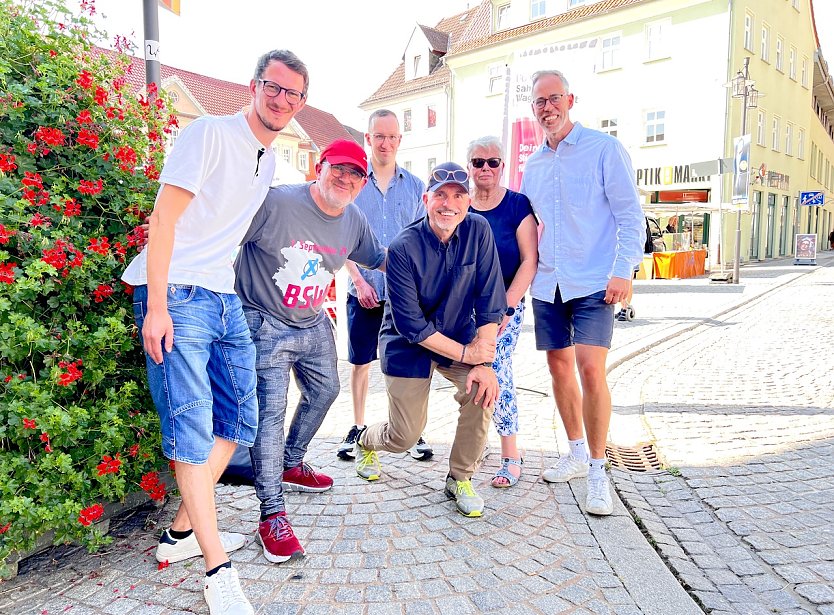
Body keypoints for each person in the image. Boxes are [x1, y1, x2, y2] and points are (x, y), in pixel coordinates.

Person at [122, 50, 308, 614]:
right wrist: (156, 307)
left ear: (301, 102)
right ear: (253, 87)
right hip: (176, 293)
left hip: (223, 296)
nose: (281, 101)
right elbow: (163, 220)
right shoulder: (209, 133)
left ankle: (179, 534)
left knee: (241, 420)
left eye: (293, 95)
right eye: (273, 88)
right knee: (192, 424)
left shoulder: (271, 163)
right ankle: (216, 567)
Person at [234, 140, 385, 563]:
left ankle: (292, 461)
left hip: (313, 321)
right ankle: (271, 514)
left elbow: (380, 258)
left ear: (362, 183)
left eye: (356, 174)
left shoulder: (353, 219)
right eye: (338, 169)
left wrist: (432, 256)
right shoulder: (277, 204)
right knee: (270, 416)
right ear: (319, 167)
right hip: (265, 322)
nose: (346, 178)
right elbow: (226, 230)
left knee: (325, 391)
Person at [520, 70, 645, 516]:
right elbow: (527, 228)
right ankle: (574, 451)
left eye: (554, 99)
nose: (547, 107)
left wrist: (623, 271)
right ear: (532, 108)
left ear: (570, 100)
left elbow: (631, 216)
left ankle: (597, 468)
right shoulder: (532, 166)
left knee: (591, 368)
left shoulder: (603, 149)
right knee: (558, 368)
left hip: (595, 279)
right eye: (539, 101)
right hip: (548, 281)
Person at [353, 162, 506, 518]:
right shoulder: (404, 246)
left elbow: (489, 299)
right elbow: (412, 325)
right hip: (407, 345)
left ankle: (460, 477)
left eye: (457, 195)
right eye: (440, 195)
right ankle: (365, 440)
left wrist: (482, 363)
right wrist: (469, 353)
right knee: (404, 436)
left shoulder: (479, 230)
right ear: (426, 199)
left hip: (458, 334)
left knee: (482, 392)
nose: (448, 204)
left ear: (468, 202)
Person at [337, 110, 432, 462]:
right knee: (361, 362)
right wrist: (359, 280)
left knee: (407, 362)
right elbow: (341, 238)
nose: (386, 143)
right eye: (380, 136)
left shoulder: (416, 187)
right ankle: (359, 427)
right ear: (368, 138)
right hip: (363, 289)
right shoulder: (354, 185)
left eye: (392, 137)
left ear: (400, 141)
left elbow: (425, 239)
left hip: (405, 294)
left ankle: (411, 426)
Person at [466, 136, 538, 488]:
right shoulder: (461, 204)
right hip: (465, 309)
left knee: (497, 370)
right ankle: (476, 445)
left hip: (506, 306)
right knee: (469, 374)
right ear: (469, 167)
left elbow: (529, 261)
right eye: (478, 162)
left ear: (502, 166)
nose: (486, 169)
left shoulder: (516, 205)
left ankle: (511, 454)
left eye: (493, 162)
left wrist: (506, 305)